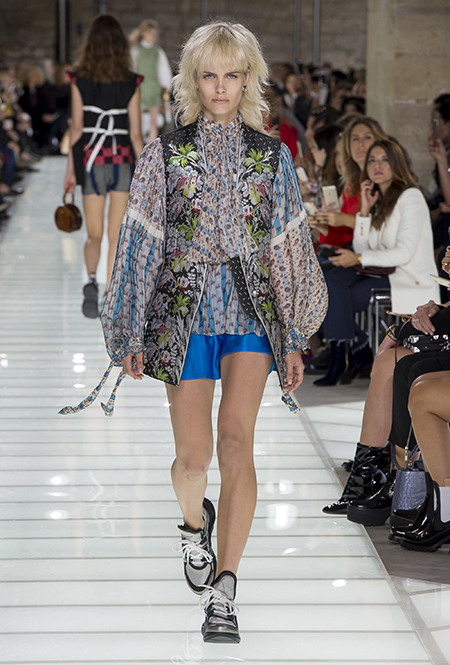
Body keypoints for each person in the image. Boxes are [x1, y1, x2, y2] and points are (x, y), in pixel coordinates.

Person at [61, 20, 327, 643]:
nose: (221, 87)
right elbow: (140, 243)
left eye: (232, 75)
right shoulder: (164, 154)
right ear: (192, 80)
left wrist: (294, 334)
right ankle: (192, 526)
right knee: (193, 458)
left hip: (252, 314)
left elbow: (287, 245)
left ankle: (225, 591)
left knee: (236, 444)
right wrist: (129, 328)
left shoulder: (272, 157)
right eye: (209, 75)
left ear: (248, 79)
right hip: (183, 313)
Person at [314, 138, 439, 386]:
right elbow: (364, 247)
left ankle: (347, 352)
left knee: (334, 294)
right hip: (381, 272)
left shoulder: (411, 197)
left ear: (396, 163)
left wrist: (358, 258)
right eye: (372, 160)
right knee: (331, 280)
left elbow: (403, 253)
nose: (377, 165)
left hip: (406, 278)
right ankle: (350, 349)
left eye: (384, 160)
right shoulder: (380, 200)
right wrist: (364, 209)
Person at [63, 14, 144, 318]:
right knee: (116, 235)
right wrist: (147, 172)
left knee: (93, 234)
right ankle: (111, 292)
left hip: (92, 160)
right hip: (122, 160)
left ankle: (90, 281)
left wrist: (71, 170)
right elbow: (135, 134)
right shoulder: (132, 82)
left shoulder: (78, 79)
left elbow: (76, 129)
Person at [130, 19, 172, 142]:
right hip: (140, 89)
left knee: (153, 123)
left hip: (153, 89)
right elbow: (132, 68)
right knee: (138, 121)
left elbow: (163, 70)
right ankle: (139, 147)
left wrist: (166, 88)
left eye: (154, 33)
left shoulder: (157, 51)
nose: (153, 36)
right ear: (143, 33)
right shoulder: (135, 50)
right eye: (150, 33)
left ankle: (150, 148)